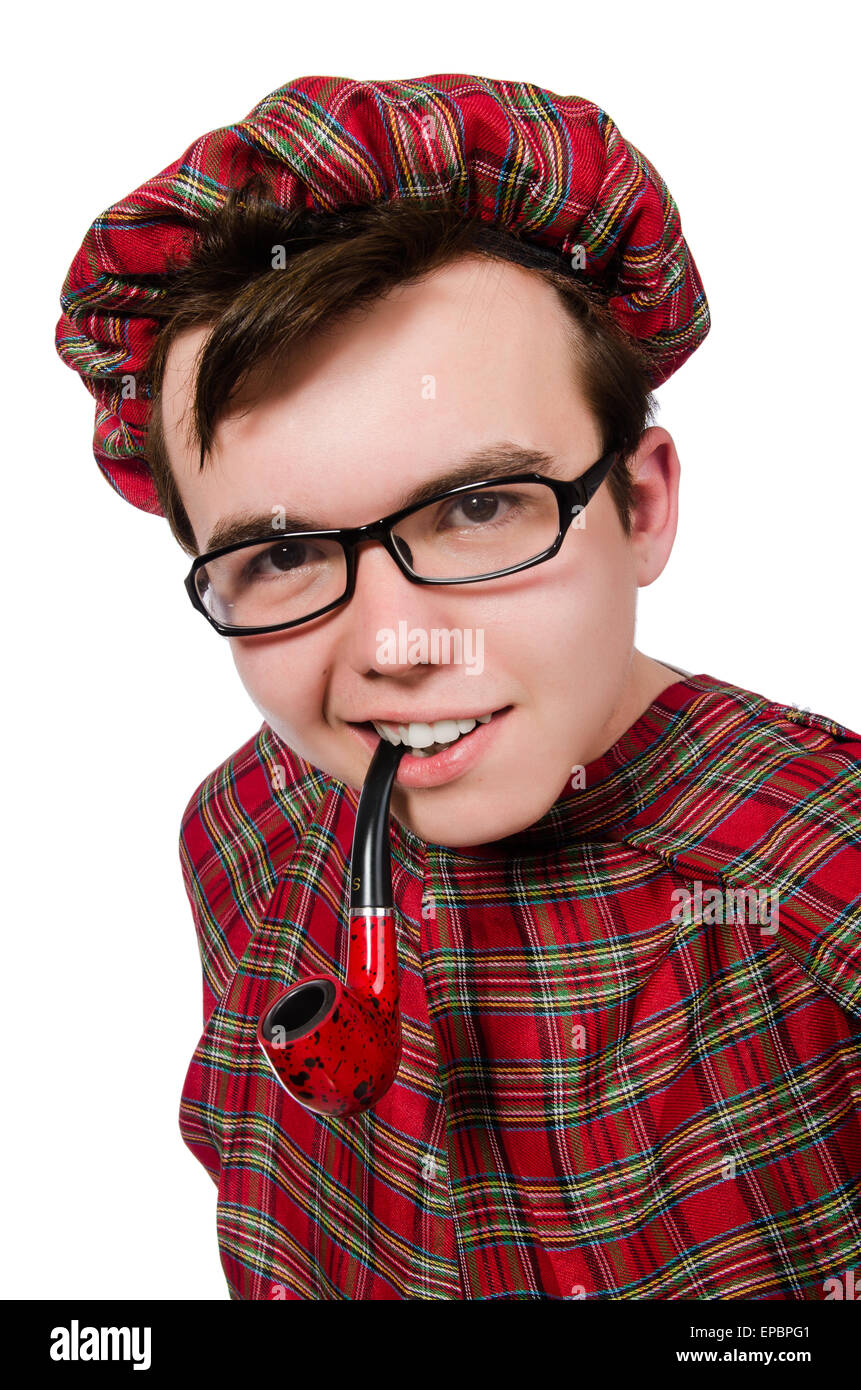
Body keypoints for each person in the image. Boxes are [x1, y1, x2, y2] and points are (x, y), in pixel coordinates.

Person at [56, 73, 861, 1301]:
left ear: (640, 507)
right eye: (280, 552)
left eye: (478, 507)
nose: (397, 644)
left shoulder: (825, 895)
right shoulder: (242, 835)